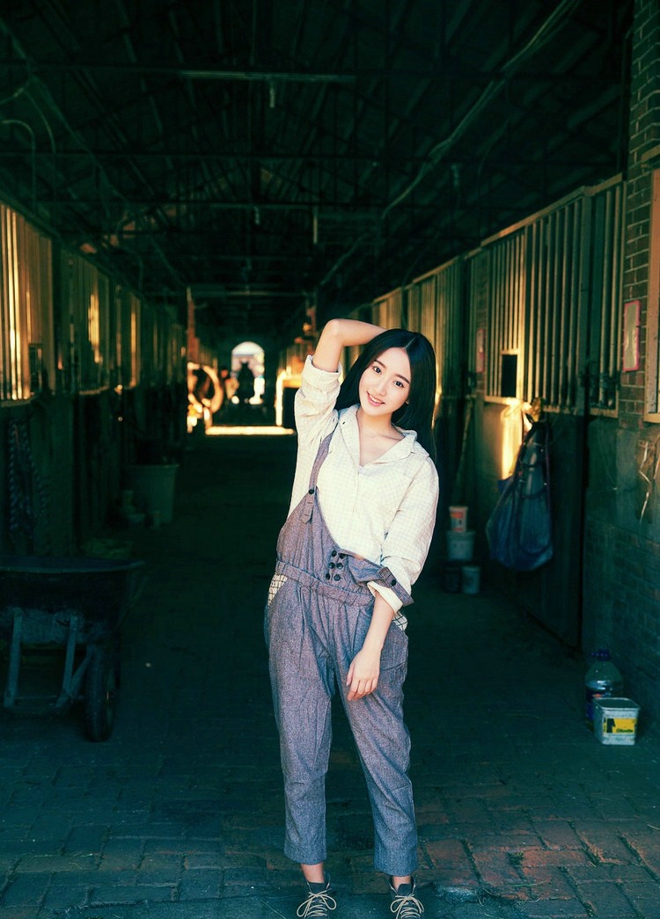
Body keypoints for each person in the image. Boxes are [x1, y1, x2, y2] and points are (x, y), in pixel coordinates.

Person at [264, 318, 439, 919]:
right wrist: (398, 335)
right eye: (377, 369)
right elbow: (335, 330)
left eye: (400, 381)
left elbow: (403, 561)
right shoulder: (321, 423)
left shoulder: (417, 467)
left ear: (413, 395)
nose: (381, 387)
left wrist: (371, 648)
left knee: (385, 750)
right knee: (302, 746)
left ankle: (402, 885)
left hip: (369, 617)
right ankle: (316, 885)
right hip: (295, 601)